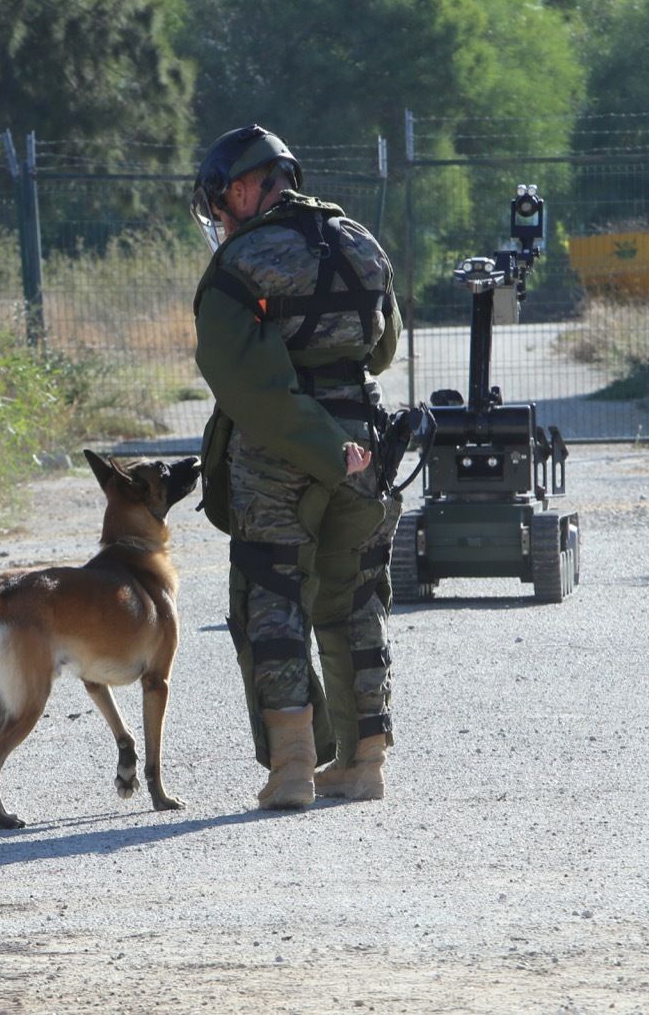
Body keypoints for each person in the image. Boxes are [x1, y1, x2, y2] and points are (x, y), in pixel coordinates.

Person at [190, 124, 403, 809]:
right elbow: (381, 352)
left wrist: (319, 448)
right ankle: (364, 763)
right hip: (366, 443)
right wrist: (344, 450)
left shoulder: (241, 260)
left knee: (271, 597)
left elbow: (243, 382)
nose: (221, 215)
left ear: (246, 188)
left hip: (278, 457)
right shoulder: (360, 242)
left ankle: (292, 769)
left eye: (221, 201)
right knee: (356, 597)